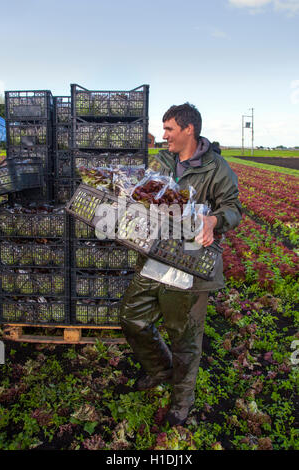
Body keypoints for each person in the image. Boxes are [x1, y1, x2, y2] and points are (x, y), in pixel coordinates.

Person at [120, 103, 242, 426]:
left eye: (170, 129)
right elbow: (145, 191)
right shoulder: (162, 160)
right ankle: (161, 369)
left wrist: (214, 220)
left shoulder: (216, 168)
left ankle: (181, 402)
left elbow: (233, 209)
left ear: (189, 130)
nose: (164, 136)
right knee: (132, 318)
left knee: (185, 337)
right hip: (156, 254)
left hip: (190, 263)